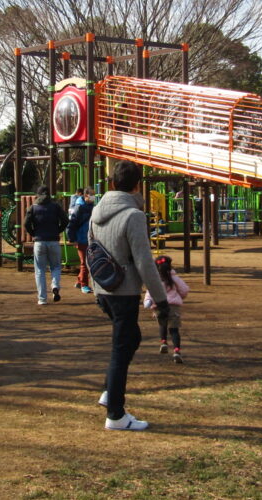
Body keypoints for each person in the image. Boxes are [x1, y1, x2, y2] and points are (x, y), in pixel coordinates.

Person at [90, 160, 168, 431]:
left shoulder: (96, 210)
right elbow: (145, 262)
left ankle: (109, 392)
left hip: (103, 287)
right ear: (137, 185)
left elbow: (91, 251)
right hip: (124, 290)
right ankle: (116, 415)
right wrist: (161, 299)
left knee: (131, 337)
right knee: (121, 349)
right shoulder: (134, 216)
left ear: (112, 183)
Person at [24, 185, 68, 304]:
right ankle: (55, 285)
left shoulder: (33, 207)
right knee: (56, 266)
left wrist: (33, 233)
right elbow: (65, 220)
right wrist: (58, 230)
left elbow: (26, 223)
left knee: (39, 270)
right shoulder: (56, 206)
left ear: (37, 195)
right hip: (54, 241)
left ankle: (42, 298)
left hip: (39, 241)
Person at [143, 254, 190, 364]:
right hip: (173, 307)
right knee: (174, 329)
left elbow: (150, 292)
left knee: (162, 324)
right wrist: (180, 296)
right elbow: (184, 290)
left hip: (159, 305)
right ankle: (177, 350)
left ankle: (163, 342)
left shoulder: (155, 279)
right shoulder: (174, 278)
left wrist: (148, 302)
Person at [66, 187, 94, 294]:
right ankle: (84, 285)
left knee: (86, 262)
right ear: (86, 195)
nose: (93, 197)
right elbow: (72, 223)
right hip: (81, 237)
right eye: (92, 195)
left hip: (87, 237)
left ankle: (80, 281)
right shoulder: (79, 207)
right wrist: (71, 238)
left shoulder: (90, 206)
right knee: (85, 263)